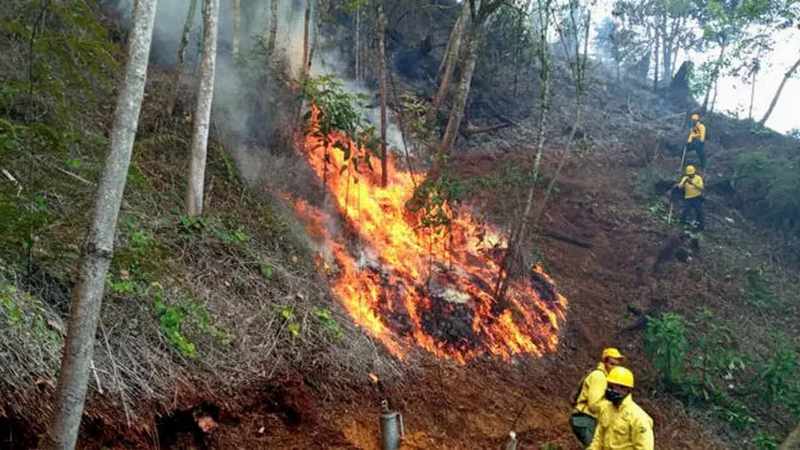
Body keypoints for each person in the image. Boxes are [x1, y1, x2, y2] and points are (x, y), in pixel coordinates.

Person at [588, 366, 654, 450]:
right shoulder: (606, 409)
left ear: (627, 389)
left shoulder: (638, 417)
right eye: (610, 386)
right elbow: (598, 440)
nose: (611, 390)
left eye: (616, 387)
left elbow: (645, 448)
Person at [570, 348, 625, 447]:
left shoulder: (605, 378)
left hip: (587, 420)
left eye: (616, 365)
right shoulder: (599, 377)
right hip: (585, 419)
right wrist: (612, 404)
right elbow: (593, 405)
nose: (614, 368)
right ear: (604, 363)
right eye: (612, 364)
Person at [677, 164, 705, 231]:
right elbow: (679, 187)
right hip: (688, 198)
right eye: (689, 174)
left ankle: (700, 226)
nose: (690, 175)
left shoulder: (698, 178)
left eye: (691, 174)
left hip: (697, 197)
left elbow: (701, 187)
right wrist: (683, 182)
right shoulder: (685, 178)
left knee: (699, 211)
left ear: (694, 172)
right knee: (685, 210)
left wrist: (692, 183)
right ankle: (682, 223)